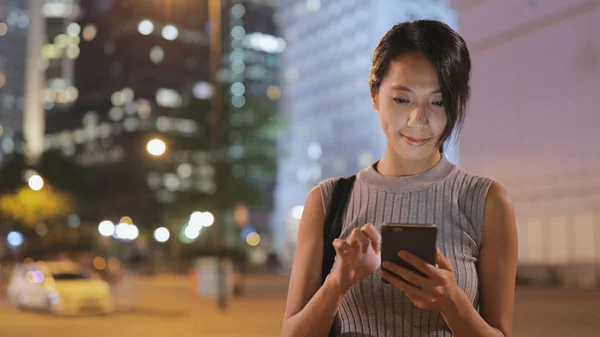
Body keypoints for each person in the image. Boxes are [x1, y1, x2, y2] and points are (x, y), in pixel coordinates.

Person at [282, 20, 518, 337]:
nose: (418, 120)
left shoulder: (486, 201)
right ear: (375, 94)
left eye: (438, 101)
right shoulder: (328, 201)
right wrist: (337, 284)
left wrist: (453, 303)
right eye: (401, 99)